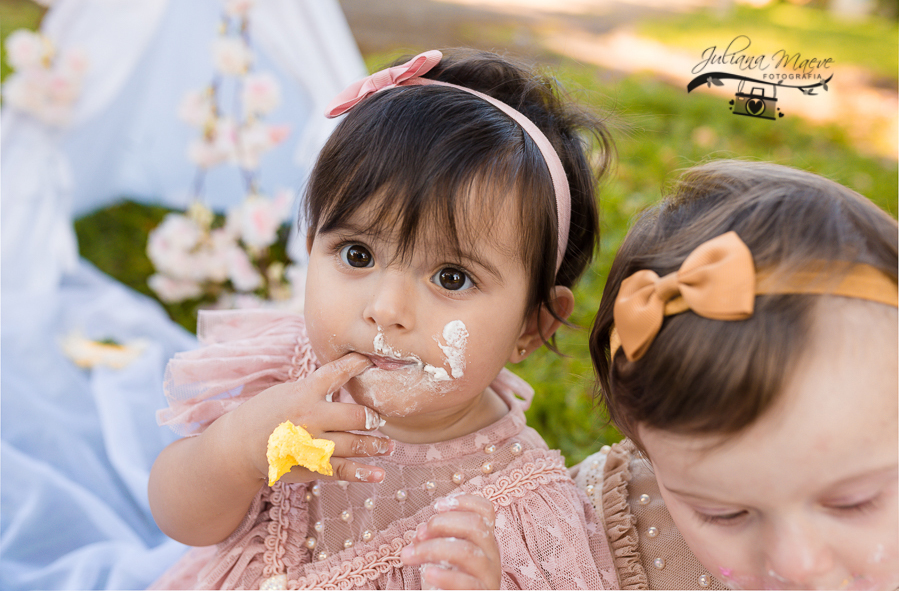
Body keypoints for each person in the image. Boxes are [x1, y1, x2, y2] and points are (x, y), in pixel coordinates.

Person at [147, 48, 620, 590]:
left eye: (451, 278)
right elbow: (179, 518)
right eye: (357, 255)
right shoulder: (284, 378)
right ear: (310, 248)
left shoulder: (521, 505)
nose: (386, 309)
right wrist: (236, 452)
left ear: (531, 327)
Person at [573, 159, 898, 590]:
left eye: (853, 503)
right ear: (644, 449)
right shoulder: (590, 532)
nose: (796, 565)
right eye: (722, 513)